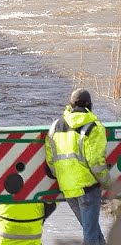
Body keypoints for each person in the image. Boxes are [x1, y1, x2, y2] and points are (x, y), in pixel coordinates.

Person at [45, 88, 109, 245]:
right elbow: (95, 162)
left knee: (92, 232)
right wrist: (108, 182)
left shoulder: (55, 126)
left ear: (71, 105)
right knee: (90, 236)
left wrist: (62, 176)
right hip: (87, 188)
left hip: (68, 187)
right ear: (89, 105)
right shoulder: (94, 127)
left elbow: (51, 159)